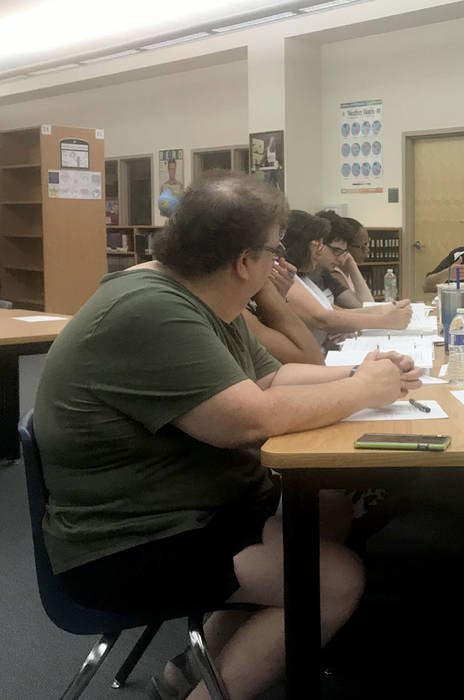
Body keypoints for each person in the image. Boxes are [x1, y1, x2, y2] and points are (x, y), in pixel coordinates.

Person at [34, 170, 423, 700]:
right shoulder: (152, 309)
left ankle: (188, 674)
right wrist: (364, 392)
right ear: (245, 261)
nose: (279, 263)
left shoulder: (203, 294)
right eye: (274, 251)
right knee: (335, 582)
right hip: (128, 541)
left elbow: (270, 376)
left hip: (190, 508)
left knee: (328, 508)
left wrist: (364, 375)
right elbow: (249, 419)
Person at [282, 210, 412, 347]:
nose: (318, 252)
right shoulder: (284, 274)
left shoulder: (303, 277)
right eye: (316, 246)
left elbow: (333, 311)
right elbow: (323, 319)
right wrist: (385, 320)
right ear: (299, 246)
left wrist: (385, 309)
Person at [242, 254, 324, 365]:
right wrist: (265, 286)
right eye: (273, 255)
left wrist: (279, 296)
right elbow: (312, 361)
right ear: (243, 261)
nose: (276, 262)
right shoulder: (234, 310)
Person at [316, 210, 375, 308]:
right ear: (318, 244)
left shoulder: (325, 276)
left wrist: (352, 264)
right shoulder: (331, 274)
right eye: (335, 250)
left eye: (344, 252)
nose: (341, 260)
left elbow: (366, 306)